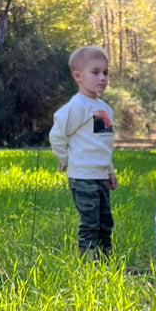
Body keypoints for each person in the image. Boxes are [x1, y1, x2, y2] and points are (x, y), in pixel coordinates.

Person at [50, 46, 118, 256]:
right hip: (82, 175)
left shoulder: (104, 109)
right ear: (77, 76)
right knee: (90, 221)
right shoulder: (77, 107)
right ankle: (88, 261)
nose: (102, 78)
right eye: (95, 72)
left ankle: (107, 258)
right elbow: (57, 136)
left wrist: (110, 171)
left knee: (105, 221)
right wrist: (65, 158)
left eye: (105, 72)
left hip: (100, 175)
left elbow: (102, 143)